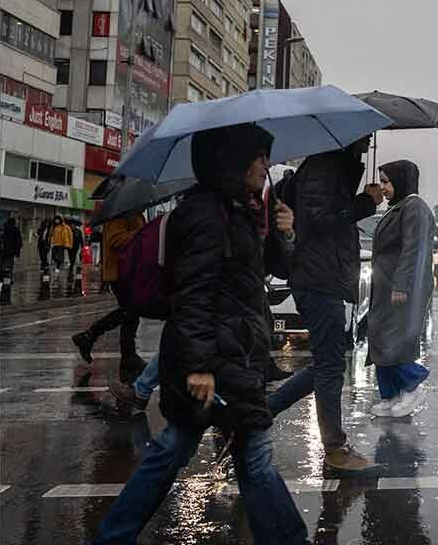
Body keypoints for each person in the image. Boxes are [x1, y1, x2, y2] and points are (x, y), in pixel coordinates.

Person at [92, 123, 307, 545]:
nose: (265, 164)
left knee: (180, 450)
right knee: (244, 456)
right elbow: (193, 295)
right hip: (214, 361)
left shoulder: (238, 209)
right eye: (259, 155)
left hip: (233, 356)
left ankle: (113, 535)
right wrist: (199, 368)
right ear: (232, 158)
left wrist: (285, 232)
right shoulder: (206, 215)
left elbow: (272, 270)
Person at [269, 137, 381, 474]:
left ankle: (261, 413)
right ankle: (334, 448)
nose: (369, 141)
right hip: (317, 279)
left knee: (327, 364)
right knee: (330, 366)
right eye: (366, 134)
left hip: (323, 278)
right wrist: (364, 202)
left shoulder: (334, 167)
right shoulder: (323, 167)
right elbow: (318, 221)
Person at [367, 160, 435, 418]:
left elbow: (413, 248)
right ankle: (390, 395)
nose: (383, 187)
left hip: (402, 288)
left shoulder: (414, 207)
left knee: (392, 339)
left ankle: (411, 385)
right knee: (380, 336)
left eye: (387, 181)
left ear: (401, 180)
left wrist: (402, 284)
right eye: (382, 181)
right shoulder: (399, 207)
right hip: (387, 286)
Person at [72, 213, 147, 377]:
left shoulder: (135, 213)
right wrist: (141, 233)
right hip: (120, 271)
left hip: (131, 270)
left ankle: (90, 337)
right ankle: (127, 356)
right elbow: (116, 240)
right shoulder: (119, 215)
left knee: (130, 311)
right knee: (131, 310)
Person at [1, 217, 21, 295]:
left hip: (4, 251)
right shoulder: (15, 230)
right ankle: (7, 283)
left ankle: (4, 280)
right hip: (11, 252)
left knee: (4, 266)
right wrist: (17, 252)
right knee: (9, 267)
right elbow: (19, 242)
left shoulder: (4, 229)